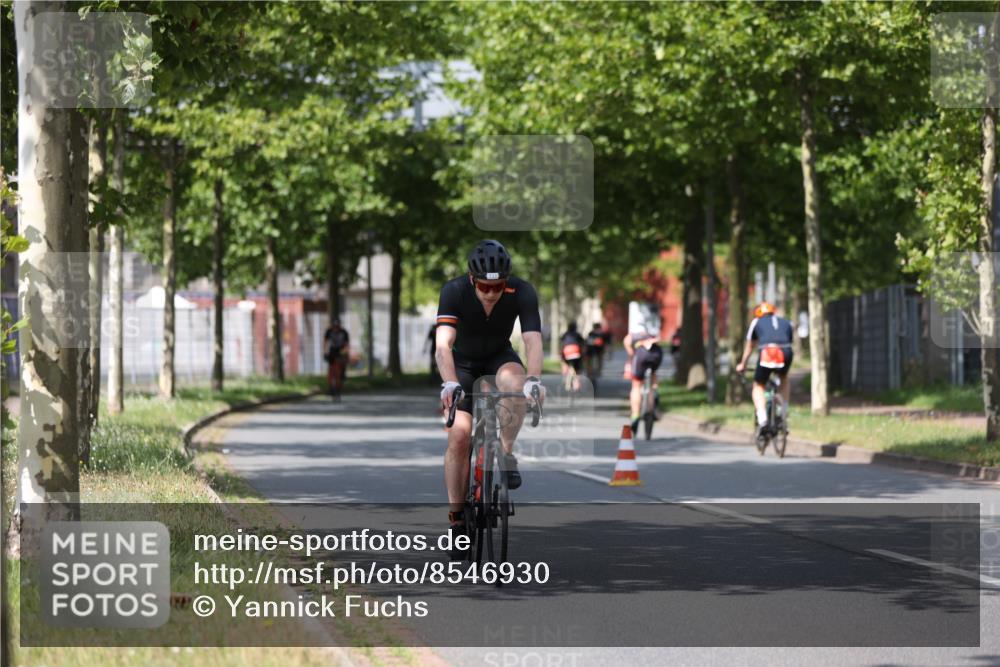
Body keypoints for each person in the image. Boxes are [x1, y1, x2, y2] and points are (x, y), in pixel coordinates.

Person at [436, 240, 544, 554]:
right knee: (459, 435)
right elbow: (444, 345)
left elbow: (532, 341)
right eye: (484, 286)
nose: (491, 293)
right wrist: (450, 383)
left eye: (497, 286)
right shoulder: (453, 291)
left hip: (499, 356)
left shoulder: (522, 292)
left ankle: (507, 453)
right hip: (463, 365)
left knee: (516, 381)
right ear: (472, 280)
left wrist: (534, 381)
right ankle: (457, 520)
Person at [735, 302, 794, 438]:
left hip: (768, 352)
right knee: (784, 378)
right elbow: (789, 340)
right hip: (786, 351)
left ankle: (763, 420)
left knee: (758, 385)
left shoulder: (756, 322)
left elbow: (750, 345)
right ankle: (783, 413)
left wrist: (743, 364)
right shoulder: (785, 322)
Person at [623, 326, 663, 435]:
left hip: (641, 355)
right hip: (656, 354)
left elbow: (626, 342)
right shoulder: (654, 328)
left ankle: (635, 414)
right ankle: (654, 393)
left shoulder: (634, 334)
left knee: (636, 385)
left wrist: (631, 355)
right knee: (653, 374)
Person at [324, 319, 350, 400]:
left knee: (340, 372)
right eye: (334, 327)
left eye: (337, 327)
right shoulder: (329, 331)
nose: (335, 329)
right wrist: (325, 352)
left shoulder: (344, 332)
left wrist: (345, 354)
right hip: (332, 353)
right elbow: (325, 342)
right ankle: (331, 387)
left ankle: (339, 388)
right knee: (331, 372)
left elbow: (347, 345)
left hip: (341, 353)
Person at [560, 321, 585, 392]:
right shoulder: (577, 335)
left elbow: (562, 345)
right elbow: (582, 344)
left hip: (566, 351)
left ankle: (568, 382)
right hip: (576, 351)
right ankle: (576, 383)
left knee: (569, 366)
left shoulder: (565, 335)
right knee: (576, 368)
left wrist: (562, 356)